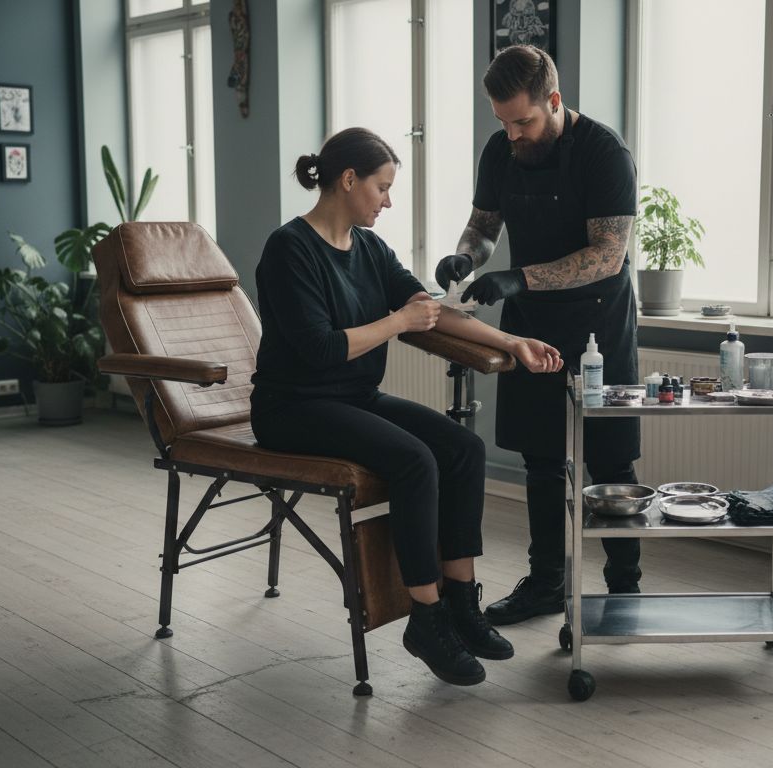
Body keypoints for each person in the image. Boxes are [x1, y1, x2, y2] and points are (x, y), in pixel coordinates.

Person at [250, 127, 564, 686]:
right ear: (348, 180)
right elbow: (322, 348)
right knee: (415, 460)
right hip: (291, 406)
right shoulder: (289, 248)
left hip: (352, 397)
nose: (388, 201)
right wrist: (397, 322)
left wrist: (511, 343)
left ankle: (463, 606)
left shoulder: (368, 248)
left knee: (463, 448)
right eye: (383, 187)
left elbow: (431, 309)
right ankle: (427, 618)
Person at [435, 45, 642, 625]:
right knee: (542, 459)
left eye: (522, 121)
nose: (512, 134)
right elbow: (483, 225)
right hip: (529, 326)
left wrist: (519, 277)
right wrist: (464, 257)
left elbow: (607, 255)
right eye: (502, 122)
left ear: (554, 100)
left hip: (599, 323)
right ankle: (547, 582)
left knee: (612, 463)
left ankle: (624, 587)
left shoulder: (605, 154)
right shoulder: (501, 148)